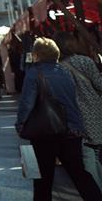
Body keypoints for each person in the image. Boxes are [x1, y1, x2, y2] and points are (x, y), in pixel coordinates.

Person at [16, 37, 101, 201]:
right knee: (79, 174)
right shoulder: (64, 71)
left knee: (44, 179)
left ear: (37, 55)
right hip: (72, 131)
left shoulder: (34, 74)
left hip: (45, 132)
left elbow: (26, 104)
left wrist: (21, 125)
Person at [55, 32, 102, 190]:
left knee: (88, 154)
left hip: (77, 116)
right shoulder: (85, 61)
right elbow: (99, 84)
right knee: (95, 153)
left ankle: (96, 191)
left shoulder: (59, 68)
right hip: (96, 111)